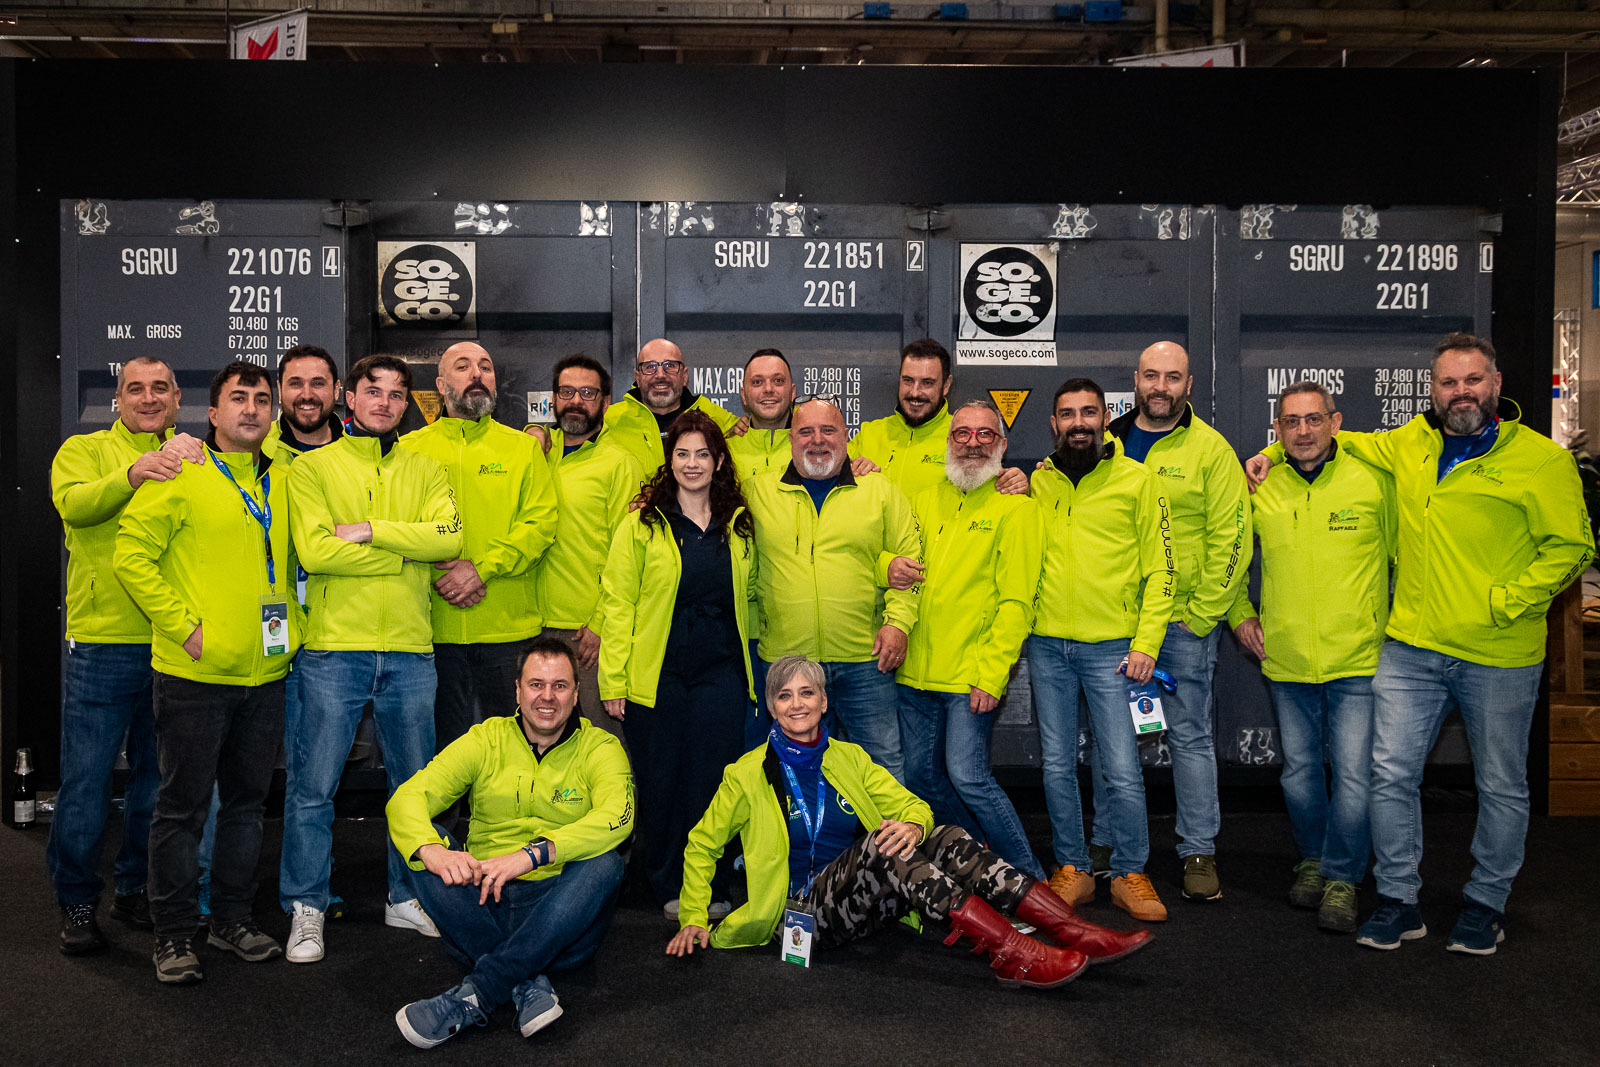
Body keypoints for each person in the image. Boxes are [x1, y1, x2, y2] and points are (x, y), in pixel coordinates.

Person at [1247, 333, 1594, 954]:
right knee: (1389, 776)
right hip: (1410, 648)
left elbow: (1573, 549)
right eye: (1448, 383)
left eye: (1473, 380)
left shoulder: (1541, 461)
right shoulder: (1410, 444)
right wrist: (1270, 452)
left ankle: (1485, 902)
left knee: (1502, 784)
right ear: (1432, 392)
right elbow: (1335, 439)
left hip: (1499, 652)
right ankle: (1400, 900)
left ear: (1496, 383)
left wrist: (1505, 601)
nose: (1461, 392)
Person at [667, 655, 1150, 986]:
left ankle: (1070, 929)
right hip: (799, 916)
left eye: (807, 693)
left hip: (859, 899)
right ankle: (1014, 956)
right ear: (772, 708)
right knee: (884, 844)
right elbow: (701, 844)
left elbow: (913, 805)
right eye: (785, 696)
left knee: (946, 837)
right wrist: (692, 916)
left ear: (824, 703)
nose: (797, 704)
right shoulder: (746, 774)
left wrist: (916, 827)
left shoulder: (849, 757)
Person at [113, 360, 303, 983]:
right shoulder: (183, 471)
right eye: (237, 400)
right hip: (195, 676)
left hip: (265, 676)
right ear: (213, 413)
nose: (251, 409)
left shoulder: (281, 478)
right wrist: (185, 627)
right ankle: (172, 935)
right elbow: (131, 555)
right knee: (182, 809)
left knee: (248, 807)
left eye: (261, 400)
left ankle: (230, 920)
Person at [280, 354, 463, 964]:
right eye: (371, 392)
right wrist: (403, 552)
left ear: (407, 402)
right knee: (313, 788)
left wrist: (371, 529)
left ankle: (406, 896)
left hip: (411, 650)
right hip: (334, 649)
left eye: (395, 393)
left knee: (415, 788)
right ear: (347, 400)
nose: (384, 402)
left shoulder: (428, 467)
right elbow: (315, 551)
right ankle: (307, 905)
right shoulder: (311, 470)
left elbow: (450, 539)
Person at [387, 637, 631, 1049]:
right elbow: (406, 798)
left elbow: (618, 818)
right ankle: (525, 982)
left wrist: (532, 854)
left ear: (575, 693)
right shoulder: (485, 739)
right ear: (517, 690)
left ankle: (478, 991)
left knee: (605, 863)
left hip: (560, 920)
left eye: (560, 686)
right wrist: (433, 851)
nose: (547, 697)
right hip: (484, 904)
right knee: (417, 845)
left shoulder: (602, 748)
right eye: (536, 685)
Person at [1229, 380, 1394, 934]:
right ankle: (1314, 860)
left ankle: (1343, 877)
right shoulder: (1261, 486)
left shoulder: (1372, 482)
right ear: (1277, 429)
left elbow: (1406, 556)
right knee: (1300, 774)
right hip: (1288, 655)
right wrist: (1239, 614)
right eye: (1291, 422)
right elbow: (1227, 557)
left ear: (1335, 421)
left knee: (1353, 774)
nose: (1303, 431)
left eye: (1313, 419)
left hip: (1358, 657)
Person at [47, 356, 199, 954]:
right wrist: (133, 473)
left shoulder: (193, 453)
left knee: (157, 785)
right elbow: (75, 506)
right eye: (135, 388)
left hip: (172, 643)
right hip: (104, 642)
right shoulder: (82, 452)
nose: (148, 397)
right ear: (118, 398)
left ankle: (135, 888)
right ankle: (77, 900)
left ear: (176, 396)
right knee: (85, 783)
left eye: (160, 387)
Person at [1100, 341, 1250, 902]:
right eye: (1151, 376)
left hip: (1183, 626)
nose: (1161, 386)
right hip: (1117, 623)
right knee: (1113, 741)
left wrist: (1201, 615)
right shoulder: (1108, 442)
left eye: (1173, 377)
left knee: (1188, 736)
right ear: (1134, 379)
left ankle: (1198, 851)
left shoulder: (1211, 451)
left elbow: (1233, 539)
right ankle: (1108, 845)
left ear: (1189, 385)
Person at [1029, 378, 1177, 922]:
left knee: (1120, 766)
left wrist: (1147, 643)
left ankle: (1131, 871)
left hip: (1114, 649)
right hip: (1047, 647)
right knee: (1055, 764)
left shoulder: (1139, 483)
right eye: (1067, 414)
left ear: (1106, 416)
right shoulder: (1036, 485)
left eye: (1089, 412)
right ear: (1053, 423)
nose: (1079, 423)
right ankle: (1073, 868)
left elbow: (1163, 570)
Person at [598, 411, 757, 917]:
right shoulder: (642, 522)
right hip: (657, 674)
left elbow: (750, 597)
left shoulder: (739, 523)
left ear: (718, 462)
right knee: (661, 779)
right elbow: (618, 602)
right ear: (670, 461)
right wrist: (613, 678)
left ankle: (705, 884)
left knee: (711, 781)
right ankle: (664, 883)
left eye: (703, 454)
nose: (692, 464)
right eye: (682, 453)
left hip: (721, 673)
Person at [897, 401, 1047, 881]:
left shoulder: (1017, 510)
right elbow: (893, 560)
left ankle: (1029, 880)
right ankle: (978, 865)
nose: (972, 443)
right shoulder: (921, 499)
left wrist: (992, 673)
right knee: (920, 778)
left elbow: (1016, 603)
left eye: (986, 435)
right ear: (948, 442)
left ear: (1002, 446)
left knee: (969, 777)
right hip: (915, 672)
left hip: (969, 675)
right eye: (962, 434)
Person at [743, 398, 921, 779]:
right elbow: (698, 501)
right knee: (788, 772)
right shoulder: (757, 493)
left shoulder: (879, 491)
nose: (817, 440)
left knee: (883, 769)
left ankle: (890, 841)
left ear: (846, 437)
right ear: (790, 439)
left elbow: (911, 563)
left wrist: (898, 624)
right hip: (788, 663)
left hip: (865, 661)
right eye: (806, 431)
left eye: (829, 430)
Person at [400, 342, 558, 752]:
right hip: (433, 633)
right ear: (439, 384)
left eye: (485, 367)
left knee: (512, 755)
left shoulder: (522, 448)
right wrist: (447, 575)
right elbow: (397, 530)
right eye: (463, 366)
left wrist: (481, 570)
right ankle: (441, 822)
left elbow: (540, 524)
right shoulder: (409, 449)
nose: (477, 374)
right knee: (441, 758)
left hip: (509, 632)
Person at [531, 354, 644, 740]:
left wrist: (600, 624)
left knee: (606, 746)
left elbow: (626, 555)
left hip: (587, 634)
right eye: (566, 391)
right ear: (553, 399)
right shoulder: (533, 453)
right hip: (530, 626)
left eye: (588, 392)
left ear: (606, 402)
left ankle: (620, 805)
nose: (575, 401)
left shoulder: (619, 464)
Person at [599, 338, 741, 475]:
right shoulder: (608, 421)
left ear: (684, 376)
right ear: (638, 378)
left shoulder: (715, 418)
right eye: (650, 367)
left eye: (670, 366)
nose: (660, 375)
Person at [264, 344, 344, 461]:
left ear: (336, 389)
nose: (307, 395)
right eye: (296, 384)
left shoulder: (358, 450)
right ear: (280, 390)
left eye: (317, 383)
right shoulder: (257, 448)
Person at [726, 348, 795, 482]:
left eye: (778, 381)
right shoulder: (725, 452)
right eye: (757, 382)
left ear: (792, 392)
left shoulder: (816, 447)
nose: (768, 389)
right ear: (743, 395)